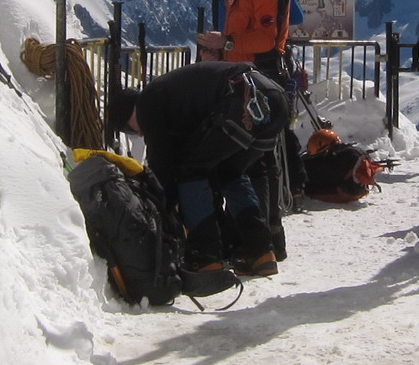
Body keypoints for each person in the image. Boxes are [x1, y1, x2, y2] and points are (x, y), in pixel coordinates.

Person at [114, 61, 290, 277]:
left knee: (191, 171)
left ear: (129, 111)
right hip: (272, 98)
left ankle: (206, 257)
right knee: (230, 173)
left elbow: (161, 163)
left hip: (243, 99)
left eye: (128, 129)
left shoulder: (148, 101)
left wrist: (162, 206)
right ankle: (260, 252)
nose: (138, 134)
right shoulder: (174, 97)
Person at [197, 0, 303, 249]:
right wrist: (217, 55)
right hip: (240, 79)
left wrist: (226, 44)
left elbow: (267, 40)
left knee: (258, 159)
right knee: (247, 159)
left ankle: (266, 240)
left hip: (264, 80)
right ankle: (257, 238)